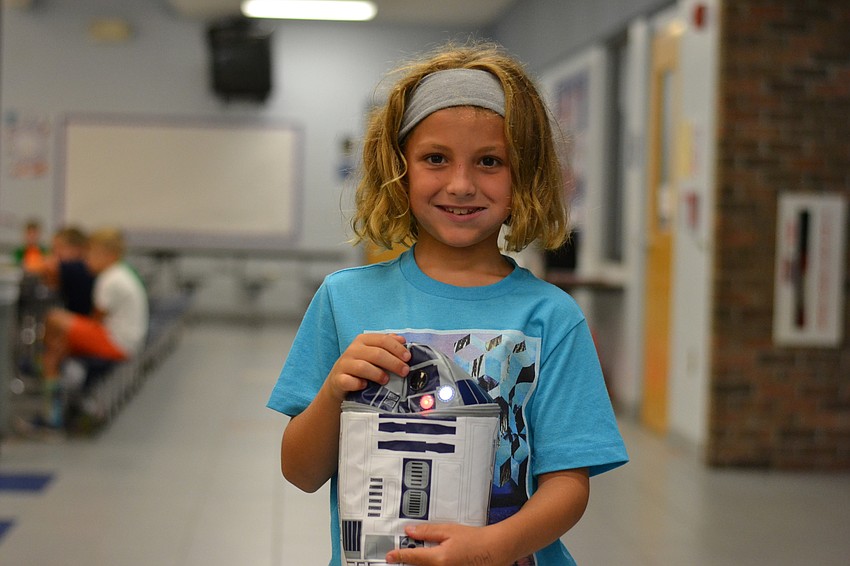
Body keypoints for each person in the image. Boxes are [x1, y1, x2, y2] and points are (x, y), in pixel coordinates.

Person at [267, 41, 628, 566]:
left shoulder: (551, 318)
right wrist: (333, 394)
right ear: (400, 169)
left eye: (489, 162)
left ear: (522, 175)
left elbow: (568, 484)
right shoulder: (344, 299)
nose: (462, 185)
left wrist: (493, 547)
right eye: (435, 159)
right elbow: (300, 472)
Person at [40, 227, 148, 427]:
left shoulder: (109, 280)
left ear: (109, 255)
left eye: (91, 254)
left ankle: (52, 414)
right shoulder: (121, 273)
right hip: (124, 339)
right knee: (56, 352)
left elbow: (95, 321)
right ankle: (56, 391)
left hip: (118, 343)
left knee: (54, 319)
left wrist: (62, 340)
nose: (87, 260)